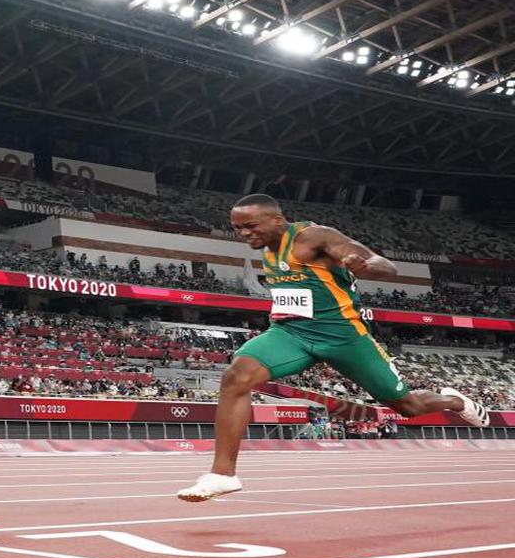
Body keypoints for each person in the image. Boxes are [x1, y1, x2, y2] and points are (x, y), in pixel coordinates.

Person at [177, 194, 490, 502]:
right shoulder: (269, 248)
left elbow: (386, 266)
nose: (244, 234)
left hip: (344, 337)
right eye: (237, 228)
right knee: (236, 376)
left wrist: (364, 265)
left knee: (408, 407)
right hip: (291, 334)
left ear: (278, 220)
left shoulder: (314, 237)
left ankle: (453, 401)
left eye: (250, 226)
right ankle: (222, 475)